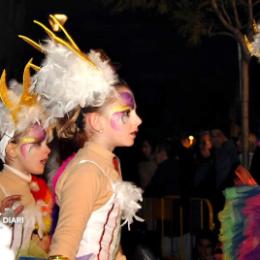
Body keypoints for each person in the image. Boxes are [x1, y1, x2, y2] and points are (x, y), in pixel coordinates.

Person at [21, 14, 143, 259]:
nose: (137, 120)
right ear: (96, 122)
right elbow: (63, 248)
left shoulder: (108, 165)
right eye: (125, 113)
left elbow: (111, 245)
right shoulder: (87, 171)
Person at [0, 61, 52, 258]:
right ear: (11, 150)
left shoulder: (25, 189)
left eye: (46, 142)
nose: (47, 150)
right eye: (37, 143)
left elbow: (25, 248)